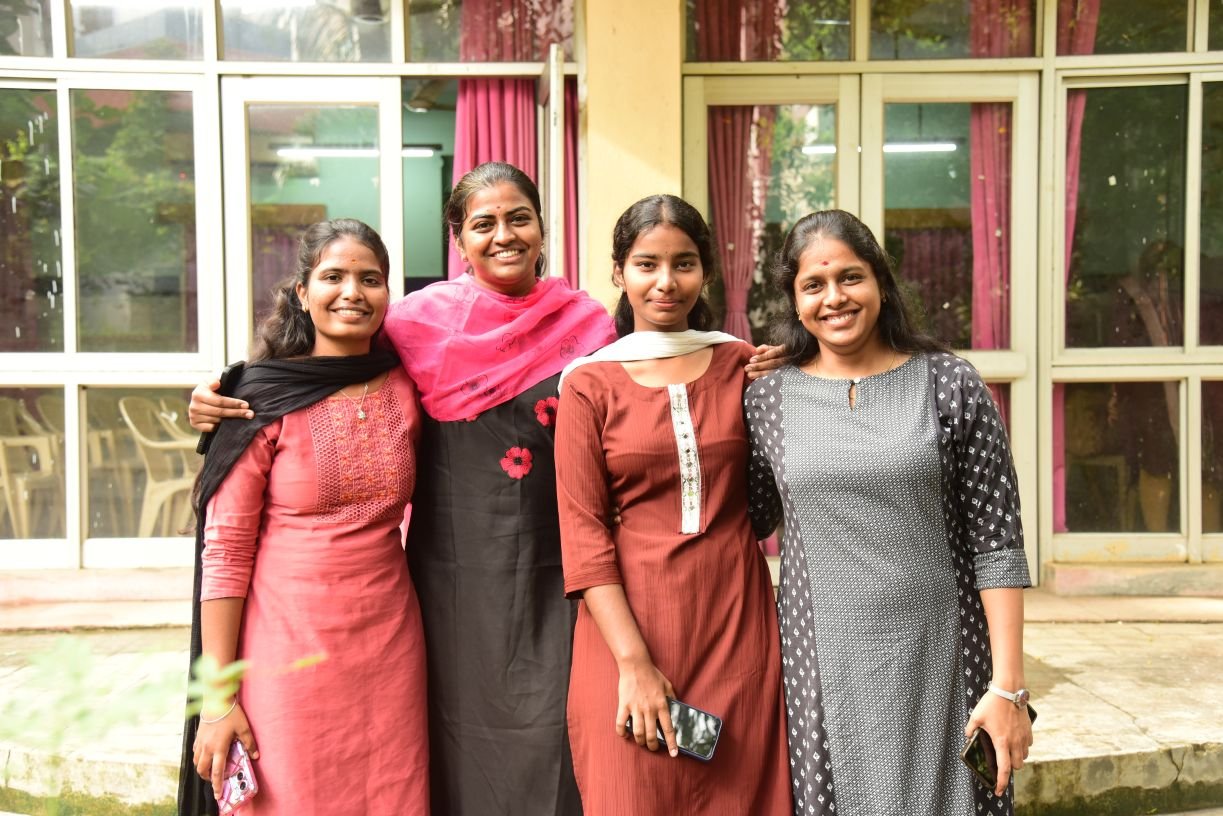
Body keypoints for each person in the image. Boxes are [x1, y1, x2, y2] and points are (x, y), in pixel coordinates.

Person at [187, 162, 785, 815]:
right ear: (459, 239)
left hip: (561, 570)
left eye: (519, 219)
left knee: (561, 736)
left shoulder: (588, 327)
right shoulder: (416, 323)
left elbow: (654, 388)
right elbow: (326, 359)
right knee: (454, 737)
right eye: (484, 223)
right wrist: (228, 391)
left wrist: (771, 377)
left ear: (542, 230)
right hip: (454, 578)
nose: (504, 235)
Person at [743, 209, 1033, 816]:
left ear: (880, 280)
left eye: (850, 277)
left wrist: (1007, 687)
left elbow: (998, 542)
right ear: (794, 301)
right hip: (821, 667)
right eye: (814, 285)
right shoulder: (767, 398)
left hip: (948, 655)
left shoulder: (950, 383)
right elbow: (747, 518)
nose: (834, 298)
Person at [178, 218, 428, 816]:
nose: (352, 292)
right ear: (302, 292)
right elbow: (225, 551)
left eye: (370, 279)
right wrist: (217, 697)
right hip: (285, 648)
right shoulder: (259, 398)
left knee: (390, 795)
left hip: (390, 643)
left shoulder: (407, 383)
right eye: (333, 276)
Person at [554, 194, 791, 814]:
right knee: (630, 793)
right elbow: (582, 538)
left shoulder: (744, 365)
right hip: (627, 631)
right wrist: (634, 664)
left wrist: (791, 382)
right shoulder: (588, 384)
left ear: (705, 271)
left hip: (734, 625)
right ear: (619, 273)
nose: (666, 282)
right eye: (646, 264)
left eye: (683, 263)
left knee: (740, 797)